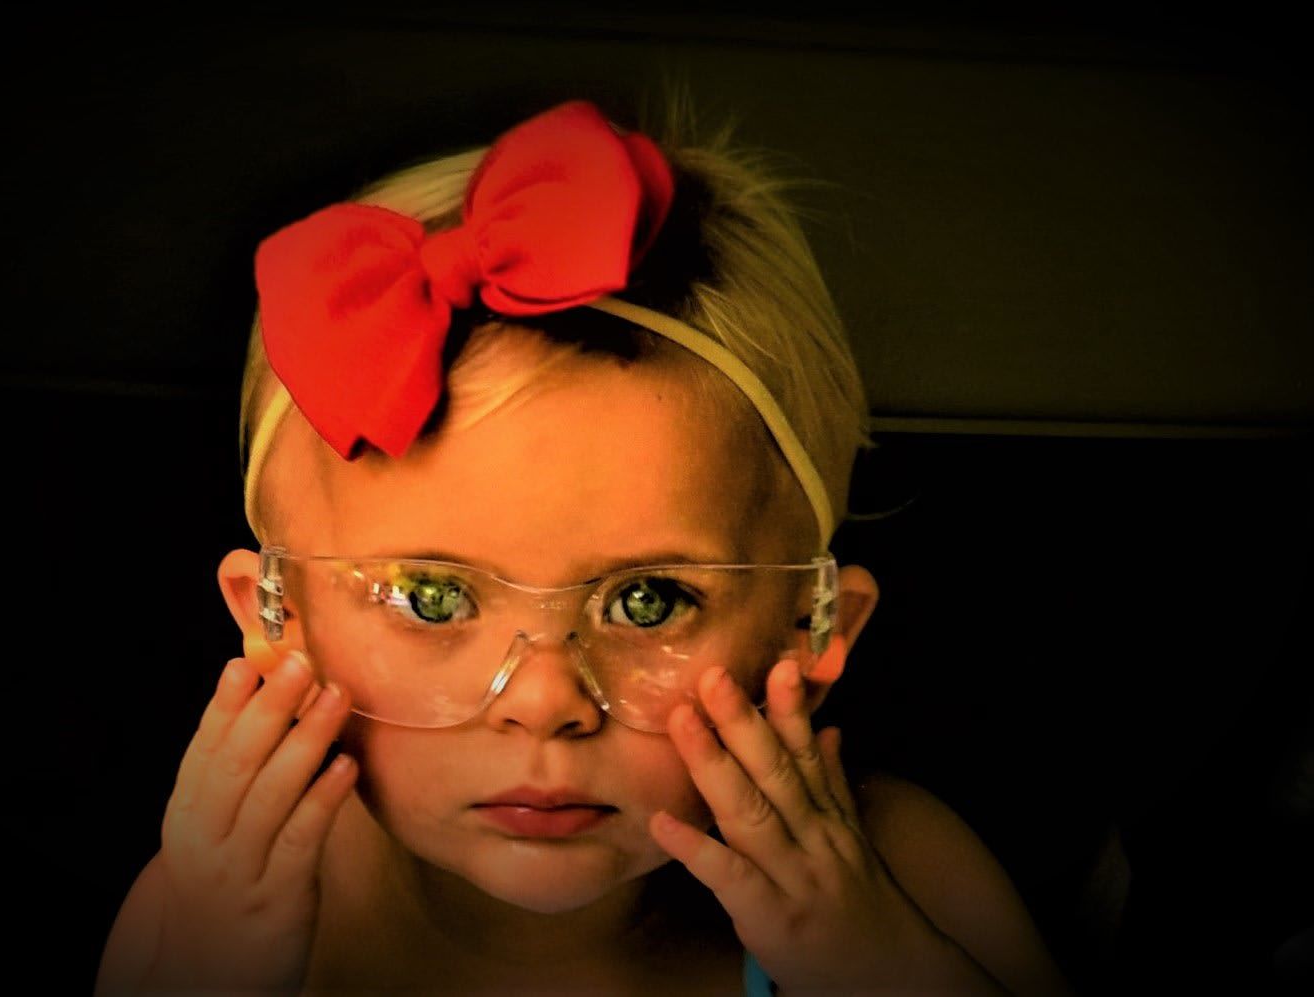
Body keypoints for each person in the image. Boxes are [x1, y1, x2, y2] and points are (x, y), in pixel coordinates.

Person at [95, 96, 1076, 996]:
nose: (543, 703)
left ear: (810, 630)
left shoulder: (900, 884)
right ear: (278, 623)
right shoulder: (212, 918)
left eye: (647, 600)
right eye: (431, 597)